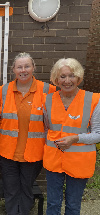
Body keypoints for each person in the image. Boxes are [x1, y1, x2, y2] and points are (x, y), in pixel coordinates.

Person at [0, 52, 56, 215]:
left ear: (33, 68)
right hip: (6, 151)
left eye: (27, 66)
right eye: (19, 67)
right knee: (11, 188)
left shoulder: (48, 90)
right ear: (13, 70)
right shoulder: (4, 90)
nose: (23, 70)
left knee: (27, 188)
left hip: (34, 152)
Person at [43, 58, 100, 215]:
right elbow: (45, 129)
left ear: (79, 78)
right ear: (56, 79)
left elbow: (98, 134)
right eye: (62, 76)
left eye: (72, 76)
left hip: (79, 161)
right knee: (53, 203)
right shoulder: (47, 100)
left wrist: (76, 138)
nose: (67, 81)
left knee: (73, 205)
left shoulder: (93, 100)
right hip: (53, 160)